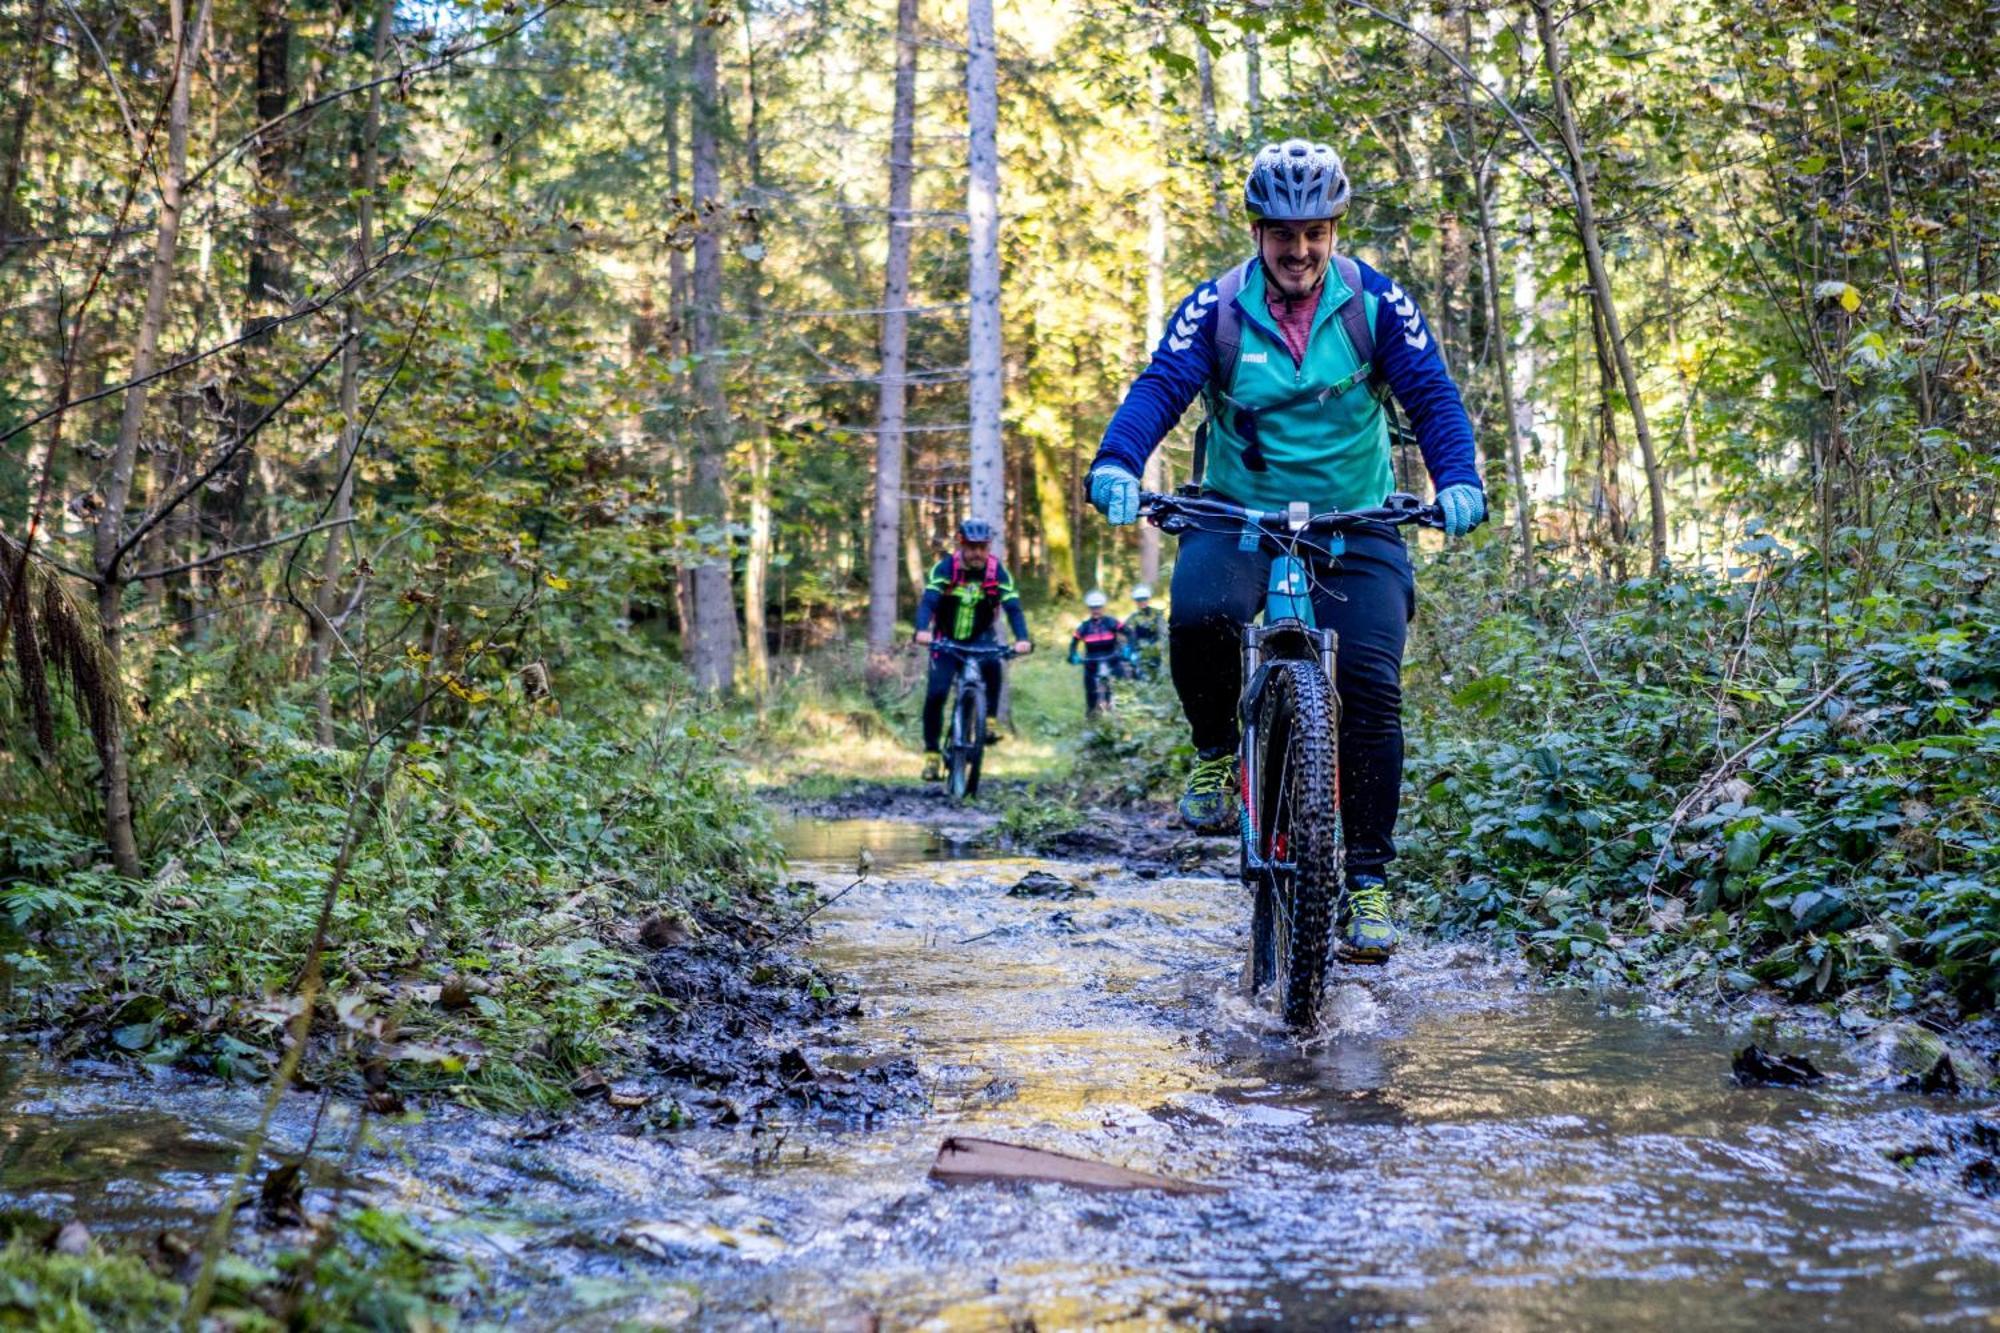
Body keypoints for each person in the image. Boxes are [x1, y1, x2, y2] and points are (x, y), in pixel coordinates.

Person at [1085, 139, 1487, 963]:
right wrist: (1118, 461)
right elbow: (1160, 387)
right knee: (1200, 615)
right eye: (1282, 233)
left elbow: (1433, 397)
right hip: (1238, 512)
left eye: (1314, 232)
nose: (1298, 250)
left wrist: (1458, 479)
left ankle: (1367, 882)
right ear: (1258, 230)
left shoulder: (1377, 306)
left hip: (1358, 520)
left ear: (1334, 228)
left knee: (1372, 689)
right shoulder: (1220, 307)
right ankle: (1211, 752)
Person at [913, 519, 1032, 781]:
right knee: (936, 694)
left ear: (989, 546)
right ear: (961, 544)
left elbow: (1013, 607)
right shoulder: (945, 569)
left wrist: (1022, 638)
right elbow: (929, 602)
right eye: (972, 547)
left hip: (981, 636)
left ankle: (988, 720)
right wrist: (922, 629)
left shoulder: (997, 572)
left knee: (993, 663)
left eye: (983, 547)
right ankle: (932, 755)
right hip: (946, 638)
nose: (978, 553)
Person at [1067, 590, 1123, 717]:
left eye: (1098, 607)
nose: (1096, 610)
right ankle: (1091, 719)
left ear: (1103, 607)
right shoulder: (1084, 627)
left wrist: (1129, 648)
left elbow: (1129, 632)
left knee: (1118, 691)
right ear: (1089, 608)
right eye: (1093, 608)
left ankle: (1121, 716)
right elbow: (1073, 643)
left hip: (1112, 660)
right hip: (1091, 663)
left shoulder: (1111, 622)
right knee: (1091, 695)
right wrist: (1073, 655)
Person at [1120, 585, 1164, 680]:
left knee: (1157, 676)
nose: (1142, 602)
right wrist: (1128, 648)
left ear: (1148, 599)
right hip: (1141, 651)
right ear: (1136, 602)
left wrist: (1163, 646)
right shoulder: (1133, 618)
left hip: (1156, 649)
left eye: (1144, 599)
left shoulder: (1157, 614)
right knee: (1142, 677)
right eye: (1139, 600)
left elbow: (1163, 632)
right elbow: (1126, 634)